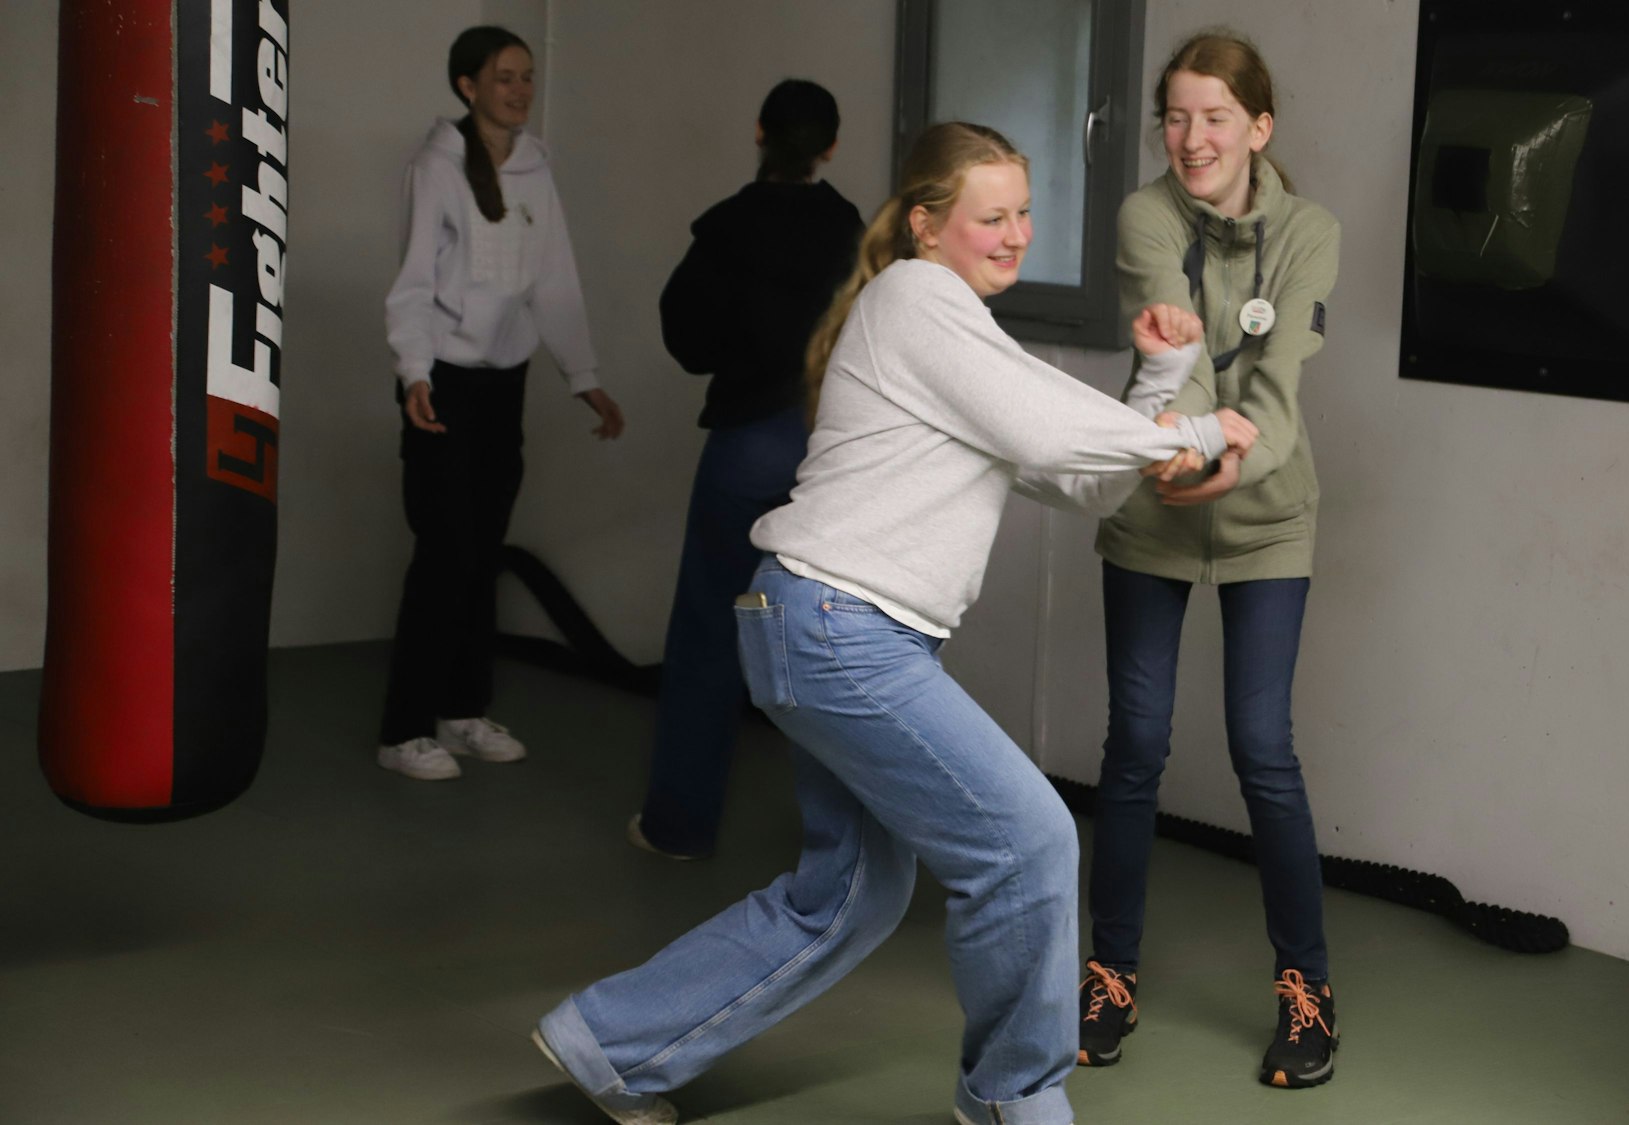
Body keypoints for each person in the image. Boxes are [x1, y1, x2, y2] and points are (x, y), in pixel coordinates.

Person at [532, 122, 1255, 1125]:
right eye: (990, 217)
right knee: (1029, 842)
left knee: (846, 894)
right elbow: (1055, 432)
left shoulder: (950, 329)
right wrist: (1201, 428)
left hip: (824, 625)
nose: (1016, 234)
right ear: (925, 225)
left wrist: (1162, 380)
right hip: (838, 627)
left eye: (1023, 213)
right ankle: (1010, 1100)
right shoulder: (919, 299)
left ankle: (607, 1043)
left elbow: (1078, 479)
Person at [1076, 30, 1345, 1091]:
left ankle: (1307, 989)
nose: (1192, 138)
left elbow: (1278, 384)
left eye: (1215, 117)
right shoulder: (1144, 215)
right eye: (1176, 117)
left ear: (1258, 128)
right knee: (1135, 745)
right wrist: (1190, 450)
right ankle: (1110, 975)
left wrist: (1233, 465)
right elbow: (1175, 351)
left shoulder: (1309, 231)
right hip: (1158, 503)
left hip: (1267, 516)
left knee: (1261, 748)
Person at [377, 25, 624, 781]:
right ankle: (404, 730)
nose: (520, 91)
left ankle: (462, 711)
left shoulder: (536, 168)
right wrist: (414, 373)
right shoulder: (436, 166)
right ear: (468, 86)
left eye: (526, 77)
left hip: (502, 387)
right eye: (504, 77)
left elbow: (555, 280)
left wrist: (582, 375)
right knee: (443, 554)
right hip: (443, 383)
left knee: (482, 553)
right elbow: (414, 281)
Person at [630, 79, 865, 860]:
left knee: (708, 631)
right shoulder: (849, 230)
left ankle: (677, 825)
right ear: (830, 147)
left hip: (747, 445)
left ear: (759, 132)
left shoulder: (727, 227)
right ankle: (843, 846)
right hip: (829, 447)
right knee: (830, 639)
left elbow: (685, 336)